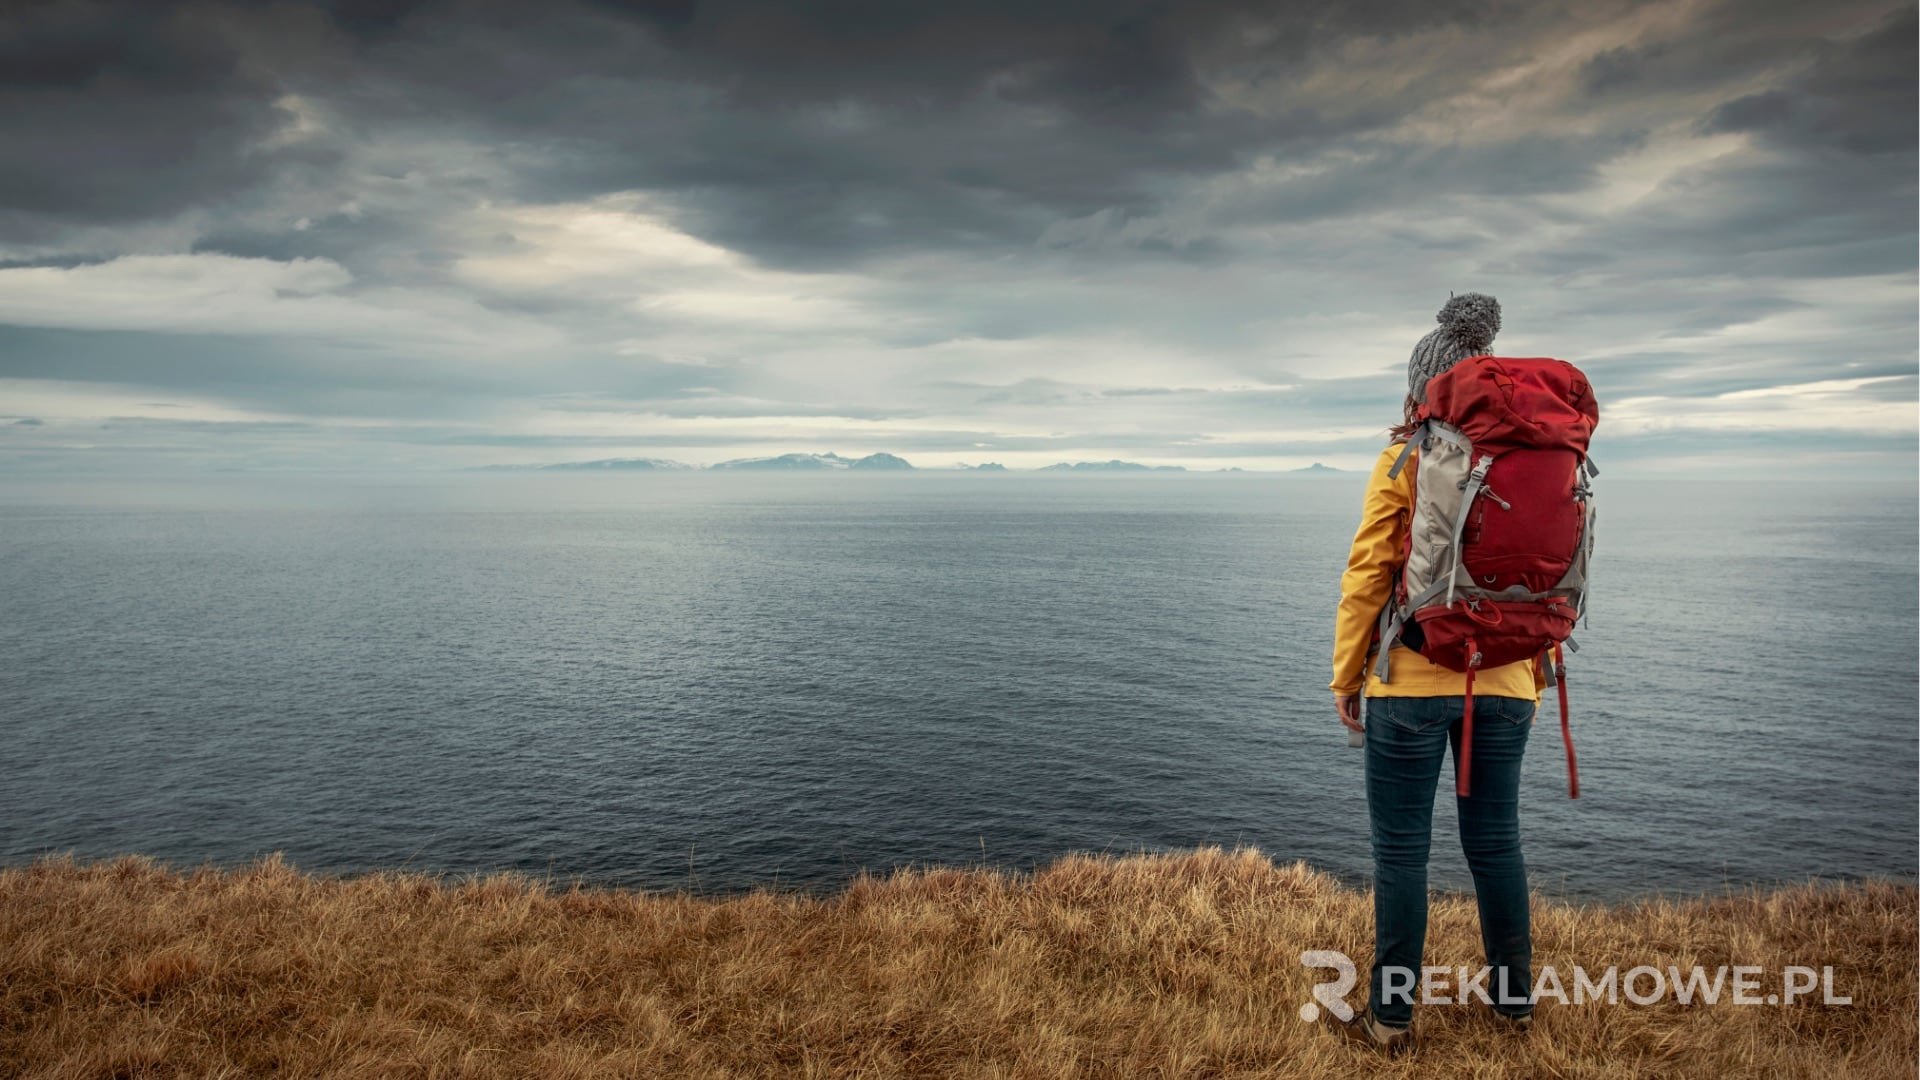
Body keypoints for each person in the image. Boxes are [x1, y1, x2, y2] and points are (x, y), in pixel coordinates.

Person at [1328, 292, 1544, 1053]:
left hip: (1411, 683)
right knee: (1496, 842)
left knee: (1402, 852)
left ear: (1421, 387)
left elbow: (1367, 574)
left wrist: (1345, 678)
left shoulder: (1405, 459)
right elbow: (1546, 576)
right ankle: (1514, 1004)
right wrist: (1535, 672)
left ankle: (1391, 1017)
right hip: (1509, 680)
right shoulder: (1534, 461)